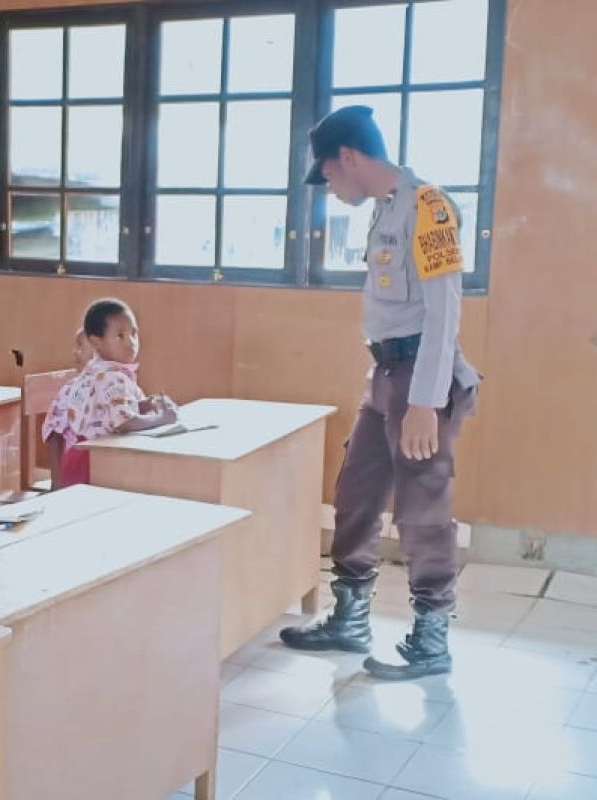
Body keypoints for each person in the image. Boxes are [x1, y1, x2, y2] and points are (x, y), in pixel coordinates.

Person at [279, 105, 480, 681]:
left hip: (421, 379)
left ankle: (432, 639)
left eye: (329, 175)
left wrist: (424, 400)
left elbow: (444, 310)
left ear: (347, 158)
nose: (331, 190)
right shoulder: (383, 211)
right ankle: (350, 617)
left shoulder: (428, 206)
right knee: (356, 491)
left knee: (422, 507)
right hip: (385, 375)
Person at [41, 299, 178, 489]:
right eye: (120, 336)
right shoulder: (110, 377)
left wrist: (147, 404)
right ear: (96, 342)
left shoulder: (97, 371)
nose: (131, 343)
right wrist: (163, 419)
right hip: (93, 463)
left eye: (134, 334)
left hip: (80, 459)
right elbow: (124, 422)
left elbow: (109, 411)